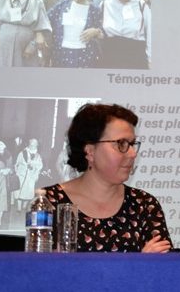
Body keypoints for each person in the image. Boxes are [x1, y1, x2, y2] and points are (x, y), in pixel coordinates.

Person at [44, 103, 173, 252]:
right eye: (121, 144)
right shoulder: (49, 202)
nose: (132, 153)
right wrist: (139, 264)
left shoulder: (144, 204)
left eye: (132, 144)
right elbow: (39, 270)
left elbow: (167, 268)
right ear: (90, 151)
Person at [99, 0, 151, 69]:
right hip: (110, 56)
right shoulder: (104, 5)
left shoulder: (142, 6)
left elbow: (150, 34)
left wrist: (150, 59)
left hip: (136, 56)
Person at [47, 0, 103, 68]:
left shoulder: (95, 10)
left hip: (85, 55)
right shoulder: (62, 5)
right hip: (61, 53)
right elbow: (45, 21)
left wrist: (96, 31)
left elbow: (102, 30)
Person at [13, 138, 43, 212]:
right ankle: (19, 208)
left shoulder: (38, 156)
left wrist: (34, 166)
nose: (33, 145)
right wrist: (18, 172)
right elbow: (16, 164)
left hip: (31, 177)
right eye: (32, 143)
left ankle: (24, 206)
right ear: (29, 144)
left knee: (28, 193)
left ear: (37, 145)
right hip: (21, 175)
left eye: (35, 144)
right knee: (19, 192)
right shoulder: (22, 153)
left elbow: (40, 166)